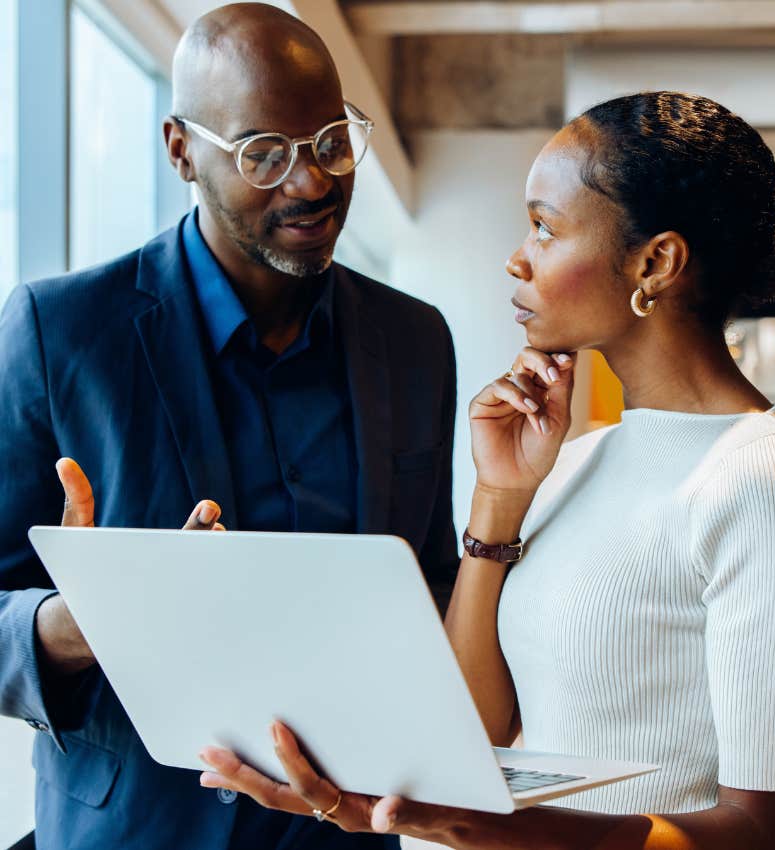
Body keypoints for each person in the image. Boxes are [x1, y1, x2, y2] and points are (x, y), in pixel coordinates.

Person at [194, 91, 775, 850]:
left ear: (655, 262)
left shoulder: (770, 483)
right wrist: (499, 499)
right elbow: (474, 736)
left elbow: (770, 837)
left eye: (544, 226)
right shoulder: (573, 460)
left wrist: (475, 826)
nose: (518, 256)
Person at [0, 4, 457, 849]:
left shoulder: (414, 339)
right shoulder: (57, 332)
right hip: (135, 833)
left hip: (344, 833)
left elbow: (429, 581)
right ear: (180, 149)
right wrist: (71, 628)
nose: (312, 182)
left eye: (329, 142)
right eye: (264, 154)